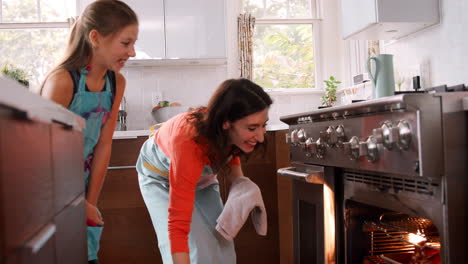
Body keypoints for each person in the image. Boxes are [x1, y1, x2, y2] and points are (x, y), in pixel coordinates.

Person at [39, 1, 138, 263]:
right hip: (48, 190)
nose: (133, 52)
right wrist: (76, 204)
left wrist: (89, 203)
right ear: (95, 38)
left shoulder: (116, 83)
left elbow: (103, 145)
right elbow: (39, 156)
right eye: (125, 43)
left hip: (82, 190)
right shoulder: (62, 81)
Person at [136, 78, 273, 264]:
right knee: (196, 250)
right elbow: (178, 226)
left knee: (222, 243)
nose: (260, 137)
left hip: (200, 178)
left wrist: (239, 181)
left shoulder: (224, 131)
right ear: (226, 123)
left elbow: (229, 149)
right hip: (159, 178)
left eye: (263, 125)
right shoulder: (189, 145)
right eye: (252, 128)